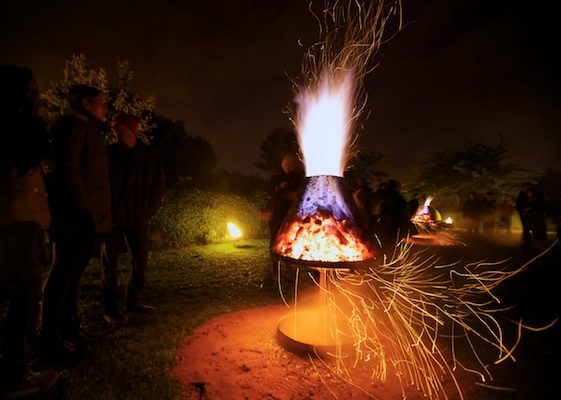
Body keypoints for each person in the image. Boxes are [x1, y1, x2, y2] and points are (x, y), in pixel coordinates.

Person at [0, 65, 60, 396]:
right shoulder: (23, 126)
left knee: (12, 296)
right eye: (32, 90)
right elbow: (30, 154)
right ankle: (15, 376)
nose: (38, 95)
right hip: (19, 217)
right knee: (25, 296)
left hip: (14, 216)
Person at [41, 85, 111, 359]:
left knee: (73, 274)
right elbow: (69, 170)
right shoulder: (71, 127)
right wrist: (83, 210)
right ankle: (50, 336)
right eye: (101, 103)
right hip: (74, 216)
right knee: (63, 274)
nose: (105, 108)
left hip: (84, 216)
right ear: (85, 103)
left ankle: (69, 327)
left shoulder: (86, 129)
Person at [102, 114, 165, 321]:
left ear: (128, 128)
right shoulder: (109, 154)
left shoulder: (150, 155)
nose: (113, 129)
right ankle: (111, 308)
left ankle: (134, 301)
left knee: (140, 261)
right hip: (113, 219)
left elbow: (158, 187)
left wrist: (146, 212)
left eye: (117, 126)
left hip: (138, 218)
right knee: (110, 263)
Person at [265, 153, 304, 284]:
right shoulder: (275, 178)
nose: (287, 166)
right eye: (285, 164)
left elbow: (300, 192)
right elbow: (269, 192)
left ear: (292, 166)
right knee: (274, 240)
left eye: (290, 164)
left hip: (290, 215)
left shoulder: (297, 178)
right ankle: (275, 268)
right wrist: (279, 188)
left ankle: (288, 266)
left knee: (289, 241)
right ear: (282, 165)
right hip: (277, 214)